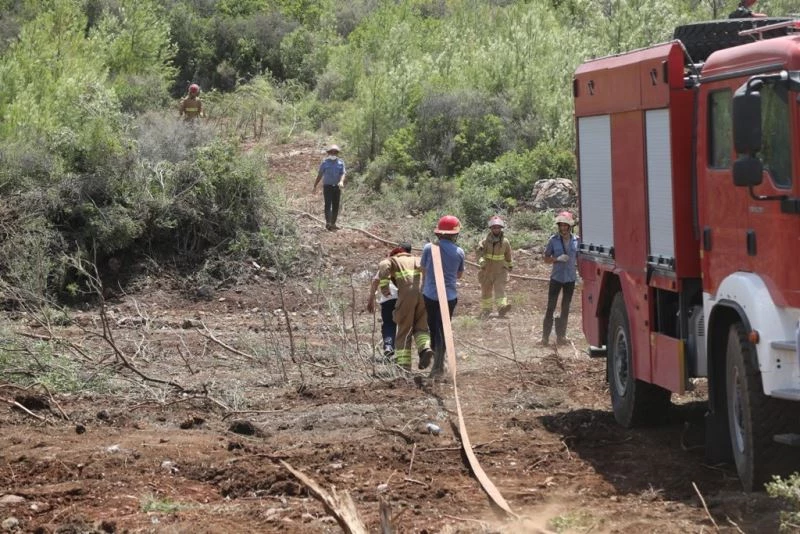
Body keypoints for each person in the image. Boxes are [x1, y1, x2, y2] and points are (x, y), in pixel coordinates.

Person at [420, 215, 465, 376]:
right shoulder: (459, 252)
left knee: (434, 329)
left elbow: (423, 270)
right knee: (444, 329)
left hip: (431, 296)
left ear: (439, 233)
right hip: (449, 297)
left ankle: (438, 365)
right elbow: (459, 275)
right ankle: (440, 363)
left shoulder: (428, 248)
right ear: (454, 234)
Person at [377, 243, 433, 371]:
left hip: (407, 295)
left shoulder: (394, 260)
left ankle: (403, 367)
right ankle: (425, 348)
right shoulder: (418, 259)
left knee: (404, 330)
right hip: (425, 294)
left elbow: (383, 265)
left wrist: (384, 287)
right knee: (421, 328)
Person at [367, 244, 411, 360]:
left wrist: (371, 299)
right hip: (404, 298)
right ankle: (403, 356)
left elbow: (375, 281)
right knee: (404, 326)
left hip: (387, 299)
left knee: (388, 324)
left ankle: (388, 346)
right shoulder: (409, 263)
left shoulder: (388, 263)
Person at [541, 210, 579, 346]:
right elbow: (546, 259)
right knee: (550, 307)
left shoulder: (577, 241)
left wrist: (581, 277)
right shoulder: (553, 240)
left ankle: (561, 336)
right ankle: (545, 337)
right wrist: (556, 259)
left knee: (565, 308)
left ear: (570, 226)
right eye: (561, 225)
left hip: (570, 278)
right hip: (556, 278)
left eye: (565, 225)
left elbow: (580, 260)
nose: (563, 228)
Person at [476, 215, 513, 318]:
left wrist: (510, 265)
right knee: (486, 291)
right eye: (494, 227)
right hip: (486, 271)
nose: (496, 229)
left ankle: (502, 307)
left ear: (501, 228)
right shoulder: (484, 242)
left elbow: (508, 255)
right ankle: (486, 310)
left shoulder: (505, 242)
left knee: (500, 289)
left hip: (500, 271)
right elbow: (479, 254)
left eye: (498, 227)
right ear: (491, 229)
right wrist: (482, 261)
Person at [312, 145, 346, 231]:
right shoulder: (324, 163)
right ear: (328, 153)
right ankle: (328, 223)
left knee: (336, 205)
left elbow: (343, 173)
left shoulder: (341, 162)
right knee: (328, 205)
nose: (333, 153)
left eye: (335, 152)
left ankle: (333, 223)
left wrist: (341, 181)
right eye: (331, 152)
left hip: (337, 187)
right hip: (327, 187)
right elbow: (320, 174)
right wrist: (315, 185)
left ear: (337, 153)